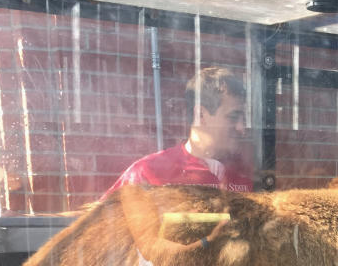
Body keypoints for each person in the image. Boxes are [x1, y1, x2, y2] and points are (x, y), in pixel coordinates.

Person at [103, 66, 253, 198]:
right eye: (233, 117)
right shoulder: (149, 173)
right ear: (200, 115)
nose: (242, 127)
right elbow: (101, 225)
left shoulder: (241, 177)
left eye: (243, 118)